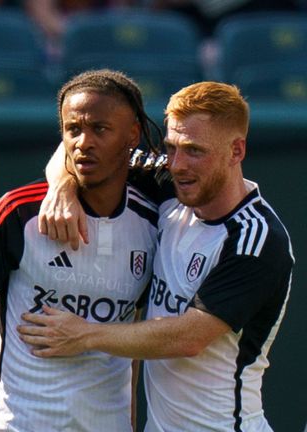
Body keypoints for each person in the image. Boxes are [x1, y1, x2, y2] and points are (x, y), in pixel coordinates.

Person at [24, 81, 294, 431]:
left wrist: (85, 334)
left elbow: (188, 338)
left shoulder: (256, 240)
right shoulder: (171, 182)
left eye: (195, 151)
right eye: (171, 147)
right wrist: (61, 189)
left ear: (236, 151)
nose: (178, 164)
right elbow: (78, 151)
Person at [0, 69, 164, 432]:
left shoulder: (153, 223)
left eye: (100, 129)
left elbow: (131, 341)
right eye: (73, 130)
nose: (83, 142)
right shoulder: (19, 213)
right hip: (17, 424)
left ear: (132, 135)